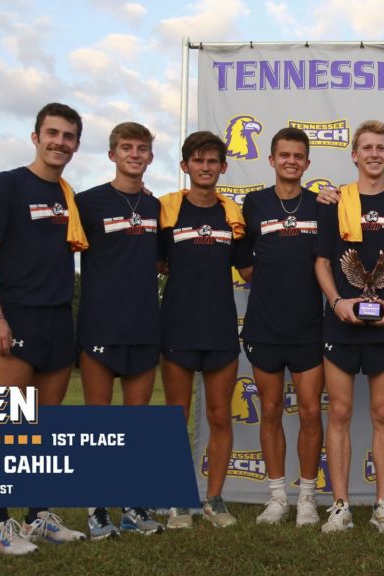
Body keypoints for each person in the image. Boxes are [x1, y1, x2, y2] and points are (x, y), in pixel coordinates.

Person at [0, 102, 87, 554]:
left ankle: (36, 516)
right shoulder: (7, 185)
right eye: (53, 133)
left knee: (43, 426)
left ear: (77, 144)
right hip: (15, 314)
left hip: (58, 317)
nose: (60, 142)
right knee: (3, 423)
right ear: (35, 136)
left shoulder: (68, 194)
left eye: (69, 136)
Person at [314, 120, 384, 534]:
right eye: (367, 147)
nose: (374, 154)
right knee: (339, 413)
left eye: (382, 147)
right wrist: (337, 301)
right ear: (354, 154)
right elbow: (323, 262)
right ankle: (339, 505)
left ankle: (383, 505)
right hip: (340, 324)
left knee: (383, 414)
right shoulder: (334, 202)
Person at [76, 122, 164, 538]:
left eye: (142, 148)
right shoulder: (86, 203)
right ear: (112, 154)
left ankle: (132, 505)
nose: (134, 154)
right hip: (100, 324)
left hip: (145, 324)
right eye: (126, 147)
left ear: (150, 157)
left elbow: (166, 259)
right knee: (98, 423)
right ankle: (96, 508)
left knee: (136, 424)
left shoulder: (156, 207)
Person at [158, 131, 248, 529]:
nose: (206, 167)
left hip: (220, 328)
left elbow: (249, 268)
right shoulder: (168, 211)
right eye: (198, 161)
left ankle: (214, 500)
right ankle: (176, 502)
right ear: (185, 167)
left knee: (220, 416)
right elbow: (157, 264)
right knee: (175, 418)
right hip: (177, 325)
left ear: (223, 167)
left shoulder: (233, 215)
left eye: (213, 161)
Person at [236, 127, 324, 527]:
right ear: (271, 160)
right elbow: (245, 262)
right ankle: (277, 497)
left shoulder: (322, 205)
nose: (291, 161)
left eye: (298, 156)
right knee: (270, 410)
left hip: (309, 326)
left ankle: (307, 496)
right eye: (283, 155)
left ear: (306, 163)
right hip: (264, 326)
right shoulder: (253, 204)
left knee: (309, 412)